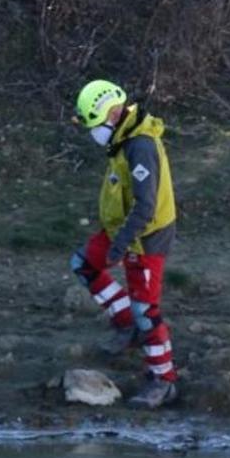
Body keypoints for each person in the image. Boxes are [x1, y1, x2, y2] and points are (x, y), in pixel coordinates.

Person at [69, 79, 179, 409]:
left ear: (113, 115)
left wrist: (120, 247)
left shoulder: (139, 146)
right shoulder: (121, 139)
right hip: (124, 230)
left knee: (147, 308)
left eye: (95, 125)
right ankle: (126, 323)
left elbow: (145, 206)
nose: (94, 133)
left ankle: (165, 379)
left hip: (146, 236)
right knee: (83, 263)